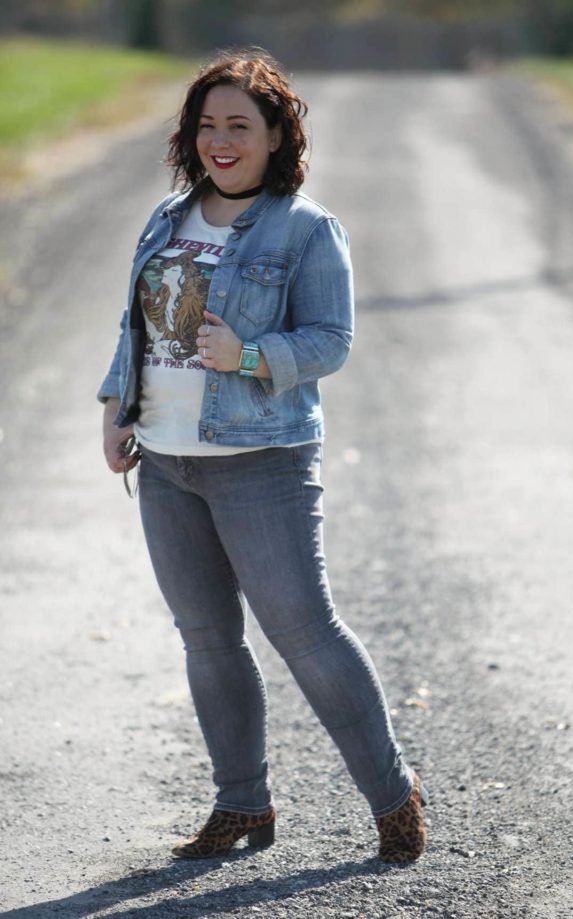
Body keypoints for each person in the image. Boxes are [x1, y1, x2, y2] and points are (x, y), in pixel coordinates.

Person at [99, 49, 427, 864]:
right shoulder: (167, 217)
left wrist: (247, 357)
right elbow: (132, 326)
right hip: (167, 463)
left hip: (262, 459)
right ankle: (242, 804)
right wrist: (115, 405)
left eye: (239, 125)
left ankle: (393, 794)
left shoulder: (307, 228)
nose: (220, 140)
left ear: (278, 135)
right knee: (207, 639)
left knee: (306, 634)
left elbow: (331, 339)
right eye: (207, 124)